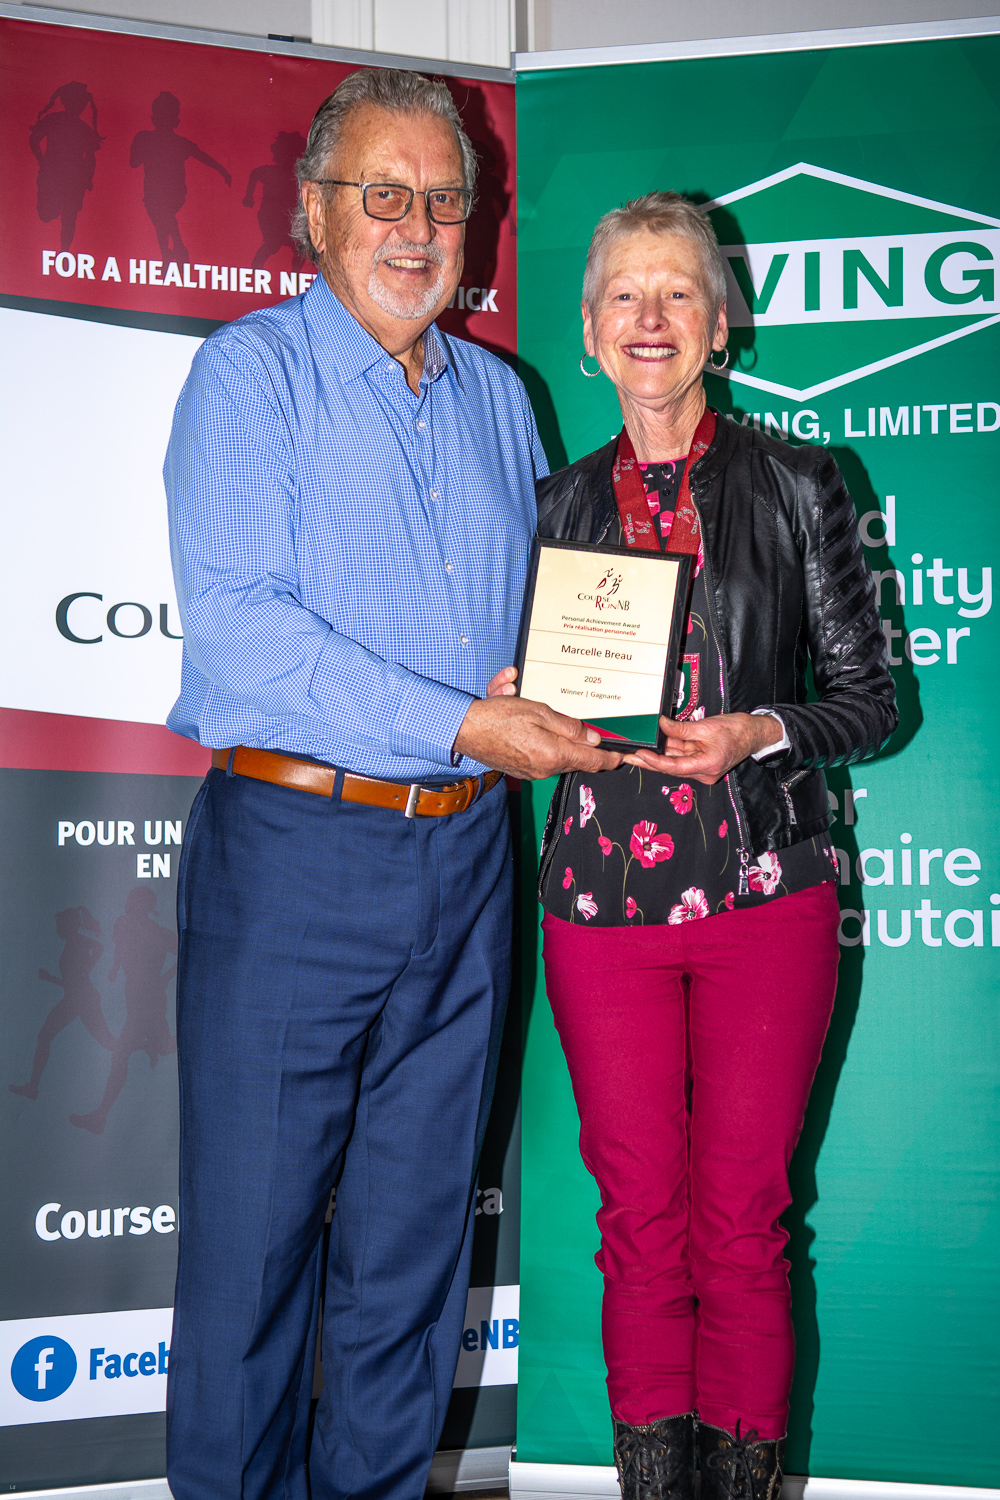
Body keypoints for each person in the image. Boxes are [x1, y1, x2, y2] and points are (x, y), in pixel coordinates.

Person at [163, 68, 621, 1500]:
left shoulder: (501, 399)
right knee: (252, 1254)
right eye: (383, 194)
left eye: (444, 201)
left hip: (470, 860)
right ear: (316, 212)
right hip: (296, 847)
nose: (417, 228)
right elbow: (242, 630)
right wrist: (467, 723)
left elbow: (546, 620)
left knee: (413, 1253)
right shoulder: (252, 374)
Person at [490, 193, 897, 1500]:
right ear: (590, 331)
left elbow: (874, 701)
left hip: (763, 894)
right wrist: (518, 704)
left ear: (722, 328)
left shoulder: (800, 483)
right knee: (638, 1228)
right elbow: (519, 700)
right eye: (626, 294)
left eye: (679, 293)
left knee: (743, 1226)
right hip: (598, 909)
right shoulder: (549, 505)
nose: (651, 317)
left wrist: (761, 731)